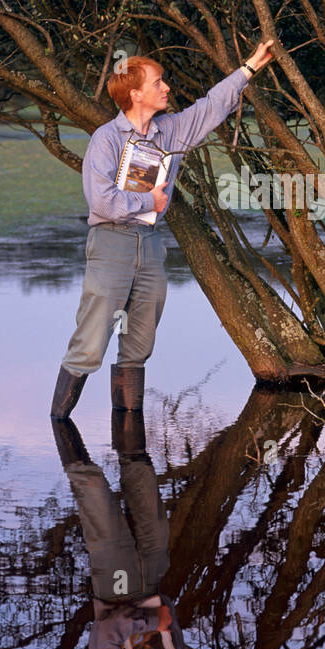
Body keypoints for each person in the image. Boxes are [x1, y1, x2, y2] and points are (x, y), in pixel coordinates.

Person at [49, 39, 276, 428]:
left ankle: (129, 442)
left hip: (151, 245)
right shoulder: (106, 139)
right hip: (111, 242)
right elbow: (101, 201)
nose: (166, 87)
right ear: (135, 94)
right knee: (91, 341)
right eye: (158, 82)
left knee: (140, 343)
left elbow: (211, 106)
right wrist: (148, 201)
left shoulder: (170, 132)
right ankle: (59, 430)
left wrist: (250, 68)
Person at [50, 388, 235, 649]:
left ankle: (59, 423)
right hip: (150, 581)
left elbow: (106, 633)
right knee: (143, 479)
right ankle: (127, 390)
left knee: (95, 495)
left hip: (117, 590)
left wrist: (151, 622)